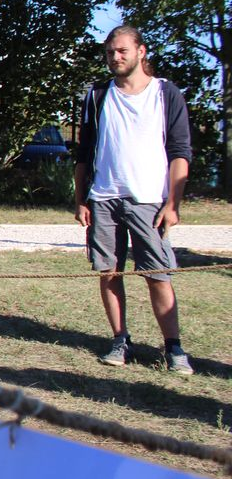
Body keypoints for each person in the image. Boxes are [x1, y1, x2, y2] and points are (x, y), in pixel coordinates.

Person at [73, 25, 193, 373]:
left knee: (158, 274)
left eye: (122, 51)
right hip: (104, 198)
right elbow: (84, 152)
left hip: (149, 200)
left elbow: (180, 153)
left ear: (141, 51)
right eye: (110, 52)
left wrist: (173, 204)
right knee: (109, 272)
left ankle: (173, 347)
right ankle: (120, 340)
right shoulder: (98, 95)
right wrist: (81, 199)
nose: (115, 57)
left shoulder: (165, 93)